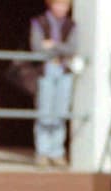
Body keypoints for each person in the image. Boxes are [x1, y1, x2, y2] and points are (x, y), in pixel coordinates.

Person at [31, 0, 78, 168]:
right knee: (45, 110)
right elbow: (37, 47)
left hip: (63, 70)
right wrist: (60, 48)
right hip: (47, 70)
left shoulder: (71, 25)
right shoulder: (39, 22)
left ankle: (57, 152)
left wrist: (53, 45)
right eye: (58, 4)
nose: (61, 8)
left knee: (61, 111)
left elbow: (72, 48)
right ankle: (42, 151)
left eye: (65, 5)